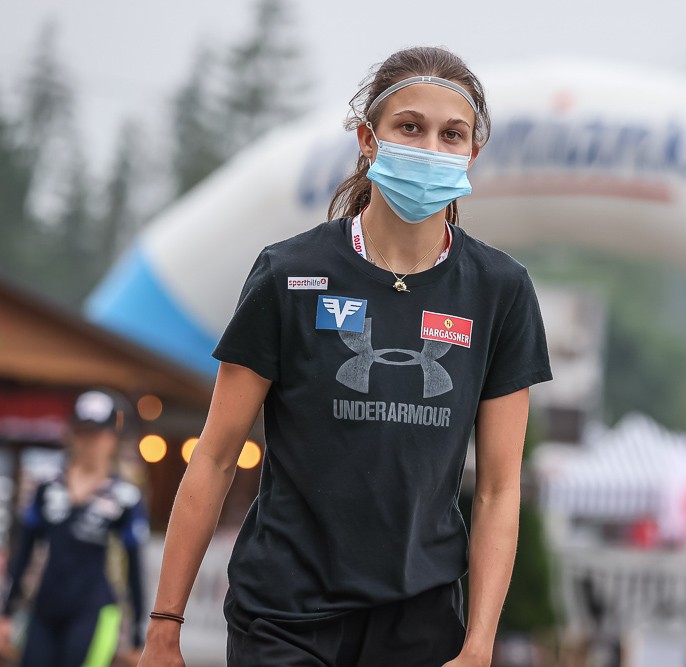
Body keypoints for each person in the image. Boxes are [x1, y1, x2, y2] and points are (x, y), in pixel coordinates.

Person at [139, 46, 552, 667]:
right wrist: (164, 626)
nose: (430, 148)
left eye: (452, 134)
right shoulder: (289, 273)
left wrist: (479, 646)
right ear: (367, 139)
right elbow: (216, 456)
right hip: (283, 614)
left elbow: (498, 488)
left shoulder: (501, 291)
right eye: (409, 126)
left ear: (472, 153)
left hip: (418, 622)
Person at [0, 389, 149, 667]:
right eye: (83, 432)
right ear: (71, 433)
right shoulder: (47, 486)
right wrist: (6, 613)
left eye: (98, 434)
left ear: (112, 438)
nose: (89, 442)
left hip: (93, 609)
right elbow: (24, 552)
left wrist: (139, 637)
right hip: (45, 606)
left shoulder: (125, 497)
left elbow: (134, 569)